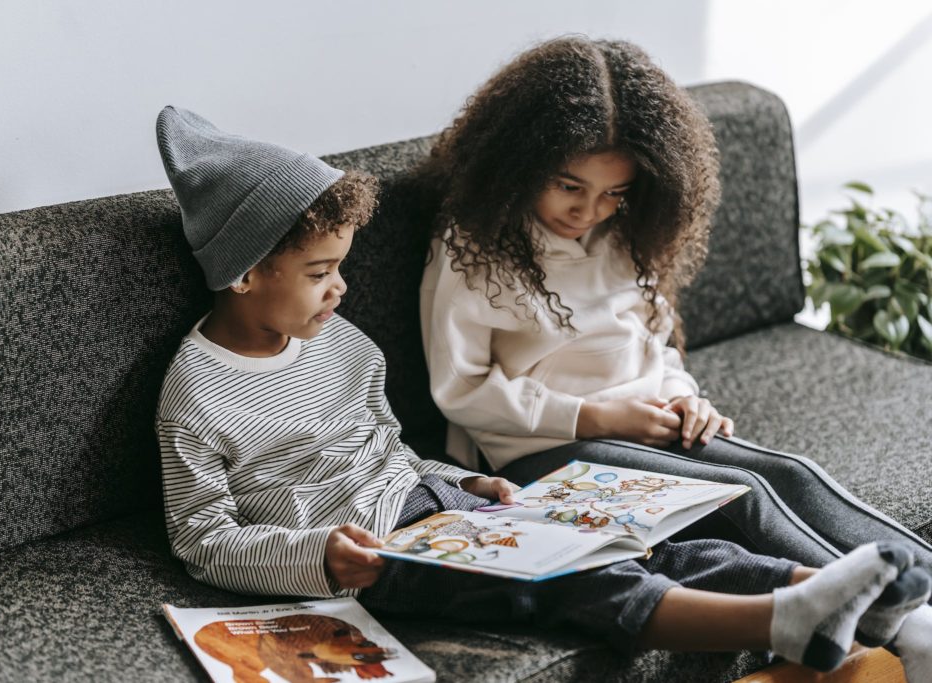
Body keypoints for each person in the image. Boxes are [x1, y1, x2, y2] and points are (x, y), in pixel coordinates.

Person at [152, 106, 930, 677]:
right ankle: (785, 619)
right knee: (575, 580)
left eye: (342, 268)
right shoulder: (197, 393)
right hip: (377, 555)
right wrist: (315, 554)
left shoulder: (345, 345)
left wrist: (465, 481)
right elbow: (201, 535)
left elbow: (392, 448)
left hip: (440, 507)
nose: (341, 290)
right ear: (244, 273)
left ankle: (828, 593)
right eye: (320, 274)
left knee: (637, 542)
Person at [417, 36, 932, 674]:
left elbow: (652, 343)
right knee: (738, 494)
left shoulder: (622, 234)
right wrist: (601, 419)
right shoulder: (473, 249)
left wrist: (685, 396)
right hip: (537, 453)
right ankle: (903, 626)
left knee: (790, 472)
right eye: (569, 187)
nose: (589, 210)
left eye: (614, 193)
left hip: (643, 422)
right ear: (520, 162)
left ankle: (922, 601)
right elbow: (460, 391)